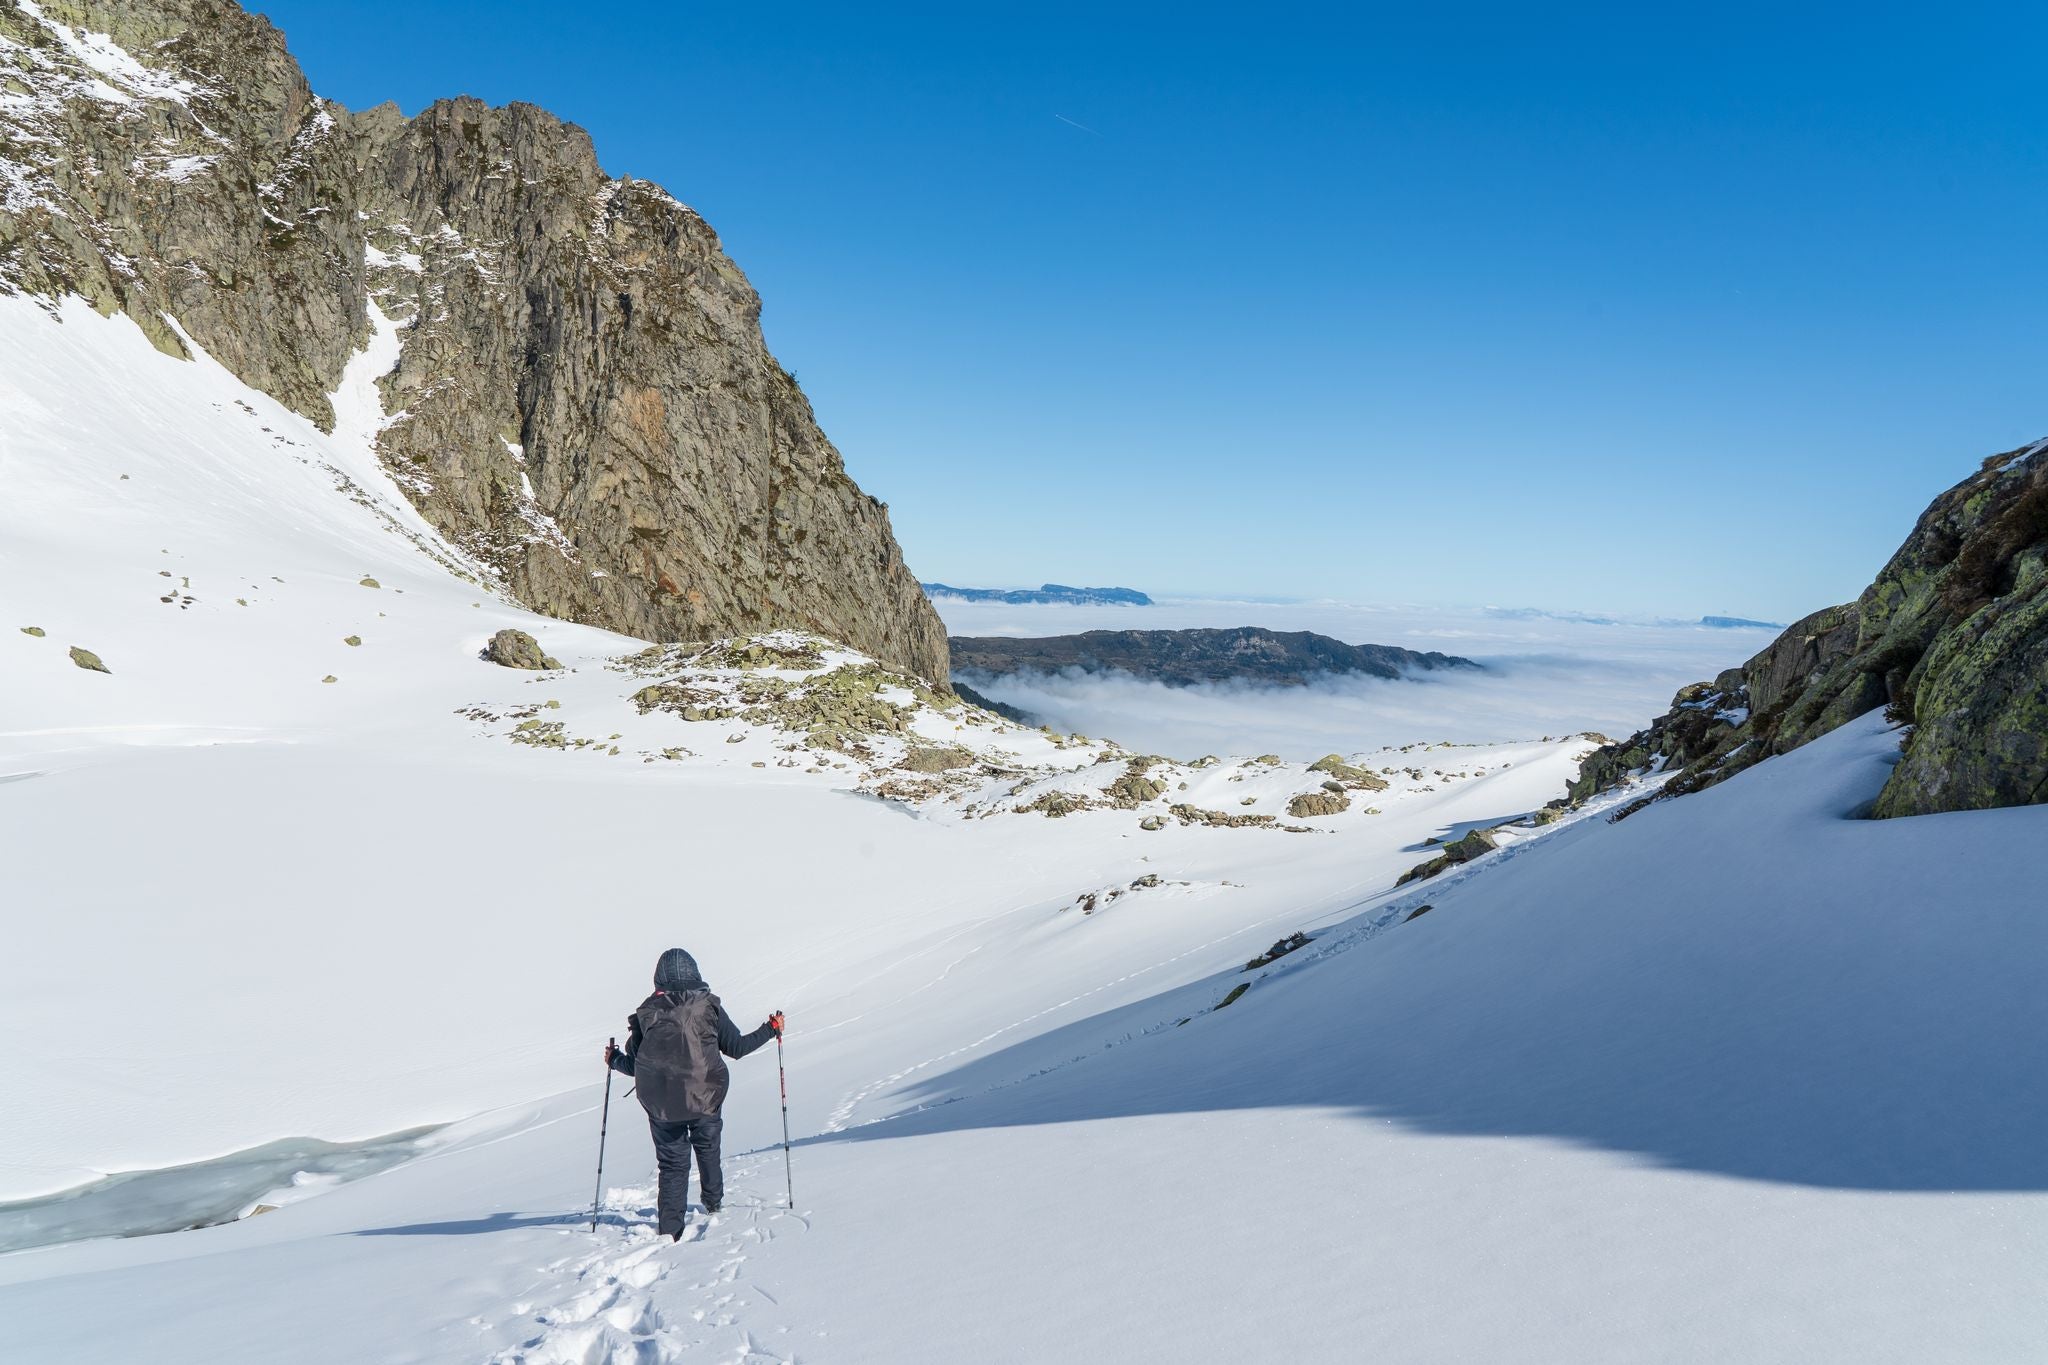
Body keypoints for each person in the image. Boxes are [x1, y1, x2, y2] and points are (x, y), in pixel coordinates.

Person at [605, 947, 782, 1241]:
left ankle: (670, 1233)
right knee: (708, 1150)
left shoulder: (646, 1014)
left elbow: (636, 1065)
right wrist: (770, 1029)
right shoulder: (708, 1007)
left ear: (659, 979)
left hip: (662, 1106)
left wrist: (613, 1060)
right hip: (706, 1097)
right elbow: (736, 1048)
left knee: (673, 1166)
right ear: (694, 974)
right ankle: (714, 1206)